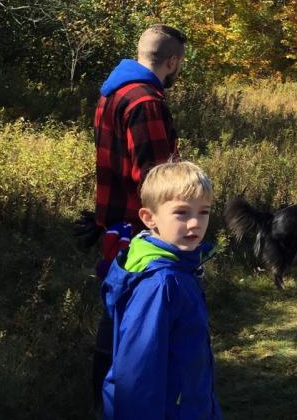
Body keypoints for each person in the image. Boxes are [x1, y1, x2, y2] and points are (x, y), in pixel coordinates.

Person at [86, 23, 186, 410]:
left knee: (117, 313)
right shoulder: (146, 101)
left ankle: (105, 401)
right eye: (180, 65)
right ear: (172, 61)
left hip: (113, 225)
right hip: (139, 230)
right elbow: (157, 178)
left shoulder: (112, 93)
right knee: (139, 323)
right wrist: (171, 230)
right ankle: (131, 403)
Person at [101, 160, 221, 419]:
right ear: (149, 218)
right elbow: (137, 375)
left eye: (203, 212)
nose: (194, 224)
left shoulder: (181, 266)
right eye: (181, 213)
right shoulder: (160, 283)